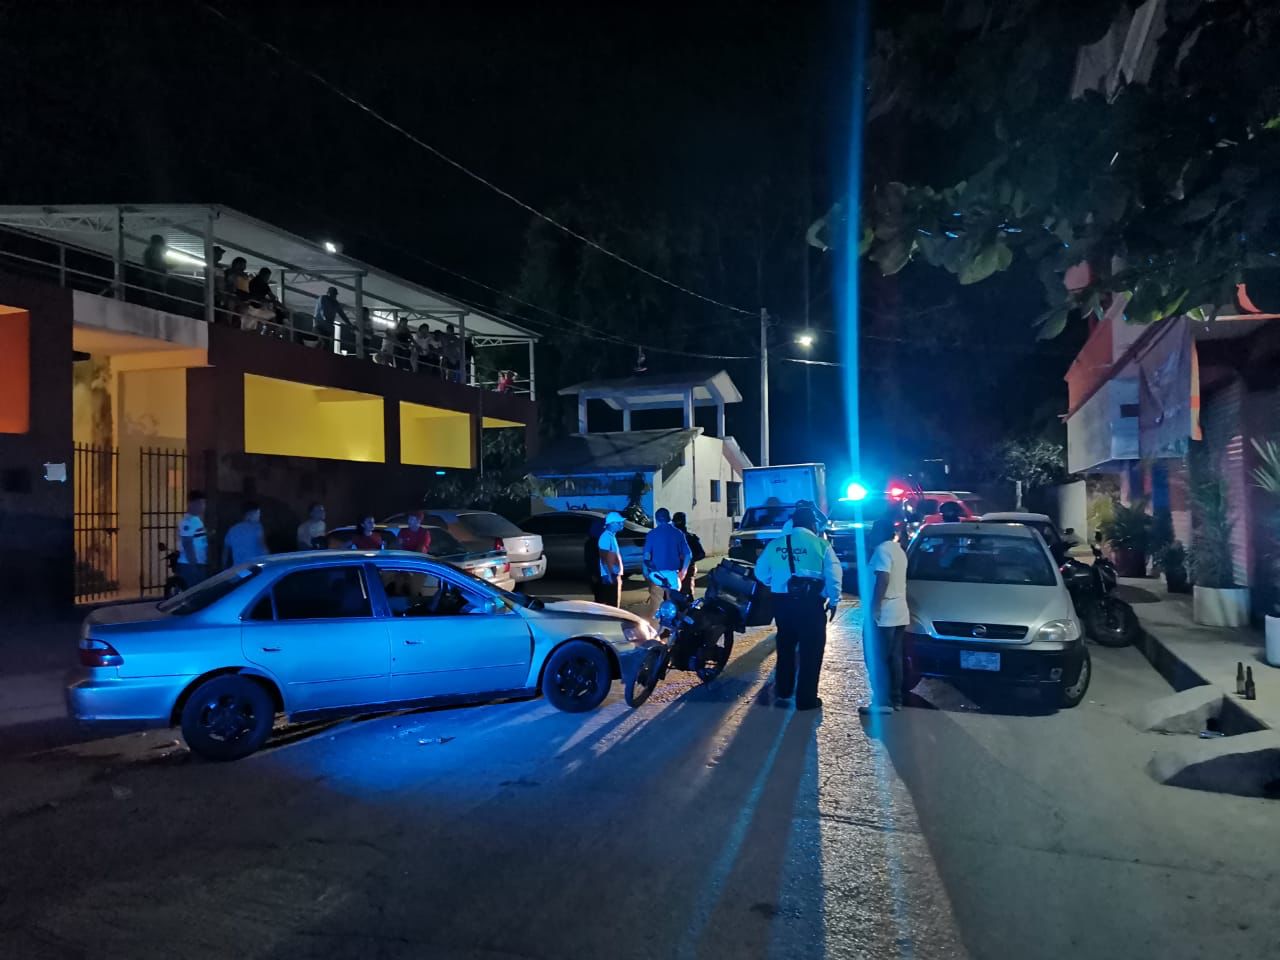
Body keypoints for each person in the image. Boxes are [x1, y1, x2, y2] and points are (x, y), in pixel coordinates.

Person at [754, 505, 840, 711]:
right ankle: (806, 699)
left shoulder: (775, 544)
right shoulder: (821, 545)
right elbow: (834, 577)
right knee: (811, 651)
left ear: (793, 523)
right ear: (812, 524)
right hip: (810, 604)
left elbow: (760, 572)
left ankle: (783, 690)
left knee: (785, 647)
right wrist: (833, 600)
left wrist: (776, 582)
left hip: (782, 603)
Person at [862, 516, 910, 715]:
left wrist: (875, 607)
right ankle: (896, 699)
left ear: (880, 533)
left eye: (873, 531)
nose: (870, 535)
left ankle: (881, 701)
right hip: (899, 611)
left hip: (885, 613)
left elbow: (883, 578)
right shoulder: (898, 550)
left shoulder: (881, 550)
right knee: (894, 657)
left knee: (877, 656)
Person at [643, 507, 692, 617]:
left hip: (656, 574)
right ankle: (672, 630)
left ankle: (657, 631)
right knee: (673, 606)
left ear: (656, 519)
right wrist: (683, 572)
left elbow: (646, 555)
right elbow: (688, 554)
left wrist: (645, 571)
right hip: (672, 575)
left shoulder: (652, 534)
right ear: (669, 518)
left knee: (656, 606)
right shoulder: (678, 533)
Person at [176, 490, 209, 589]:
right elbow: (187, 543)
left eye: (203, 503)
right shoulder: (189, 521)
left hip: (198, 562)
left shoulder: (196, 520)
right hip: (190, 564)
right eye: (200, 503)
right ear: (192, 503)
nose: (203, 506)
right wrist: (193, 565)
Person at [594, 511, 626, 607]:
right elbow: (604, 558)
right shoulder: (605, 538)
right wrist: (609, 575)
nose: (621, 524)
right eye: (619, 522)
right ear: (611, 524)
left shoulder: (610, 536)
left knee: (614, 602)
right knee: (612, 603)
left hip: (612, 574)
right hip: (610, 575)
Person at [222, 502, 268, 567]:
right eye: (258, 513)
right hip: (255, 569)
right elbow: (263, 548)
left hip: (238, 570)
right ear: (250, 514)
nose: (259, 516)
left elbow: (225, 554)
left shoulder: (232, 530)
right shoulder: (257, 527)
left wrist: (224, 570)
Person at [672, 511, 705, 598]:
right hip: (674, 569)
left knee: (686, 594)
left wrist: (689, 559)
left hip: (687, 569)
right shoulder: (671, 537)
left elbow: (701, 554)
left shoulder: (690, 538)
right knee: (673, 594)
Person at [142, 234, 169, 306]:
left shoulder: (154, 251)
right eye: (161, 243)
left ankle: (156, 303)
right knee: (155, 295)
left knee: (156, 295)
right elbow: (156, 263)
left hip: (156, 277)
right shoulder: (152, 251)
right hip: (154, 276)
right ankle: (155, 304)